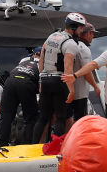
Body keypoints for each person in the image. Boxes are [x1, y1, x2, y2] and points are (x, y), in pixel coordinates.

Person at [34, 13, 86, 149]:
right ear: (74, 27)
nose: (82, 32)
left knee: (43, 117)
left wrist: (41, 81)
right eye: (81, 28)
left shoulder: (52, 36)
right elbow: (68, 69)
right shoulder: (70, 44)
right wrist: (72, 91)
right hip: (59, 81)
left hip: (45, 79)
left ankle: (32, 148)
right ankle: (57, 148)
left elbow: (42, 60)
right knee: (61, 117)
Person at [0, 49, 40, 146]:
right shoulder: (44, 63)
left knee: (6, 116)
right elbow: (41, 86)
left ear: (34, 54)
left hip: (10, 81)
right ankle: (26, 145)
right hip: (26, 83)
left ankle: (0, 145)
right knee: (30, 117)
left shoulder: (24, 60)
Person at [67, 23, 100, 129]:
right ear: (88, 34)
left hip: (67, 90)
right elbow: (87, 71)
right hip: (79, 93)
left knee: (66, 119)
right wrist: (95, 86)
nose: (93, 37)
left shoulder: (70, 45)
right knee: (79, 121)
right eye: (92, 34)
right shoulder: (84, 48)